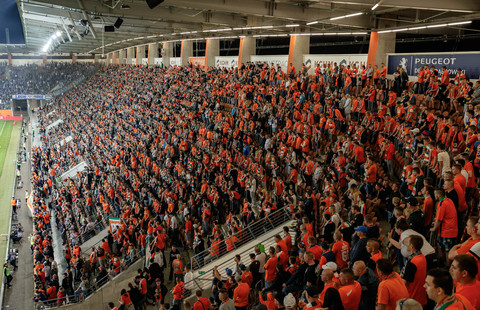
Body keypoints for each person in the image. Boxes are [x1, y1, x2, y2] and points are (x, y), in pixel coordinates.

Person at [401, 235, 427, 306]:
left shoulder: (412, 262)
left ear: (412, 246)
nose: (406, 244)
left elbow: (404, 282)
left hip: (412, 297)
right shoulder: (422, 257)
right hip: (421, 296)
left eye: (407, 243)